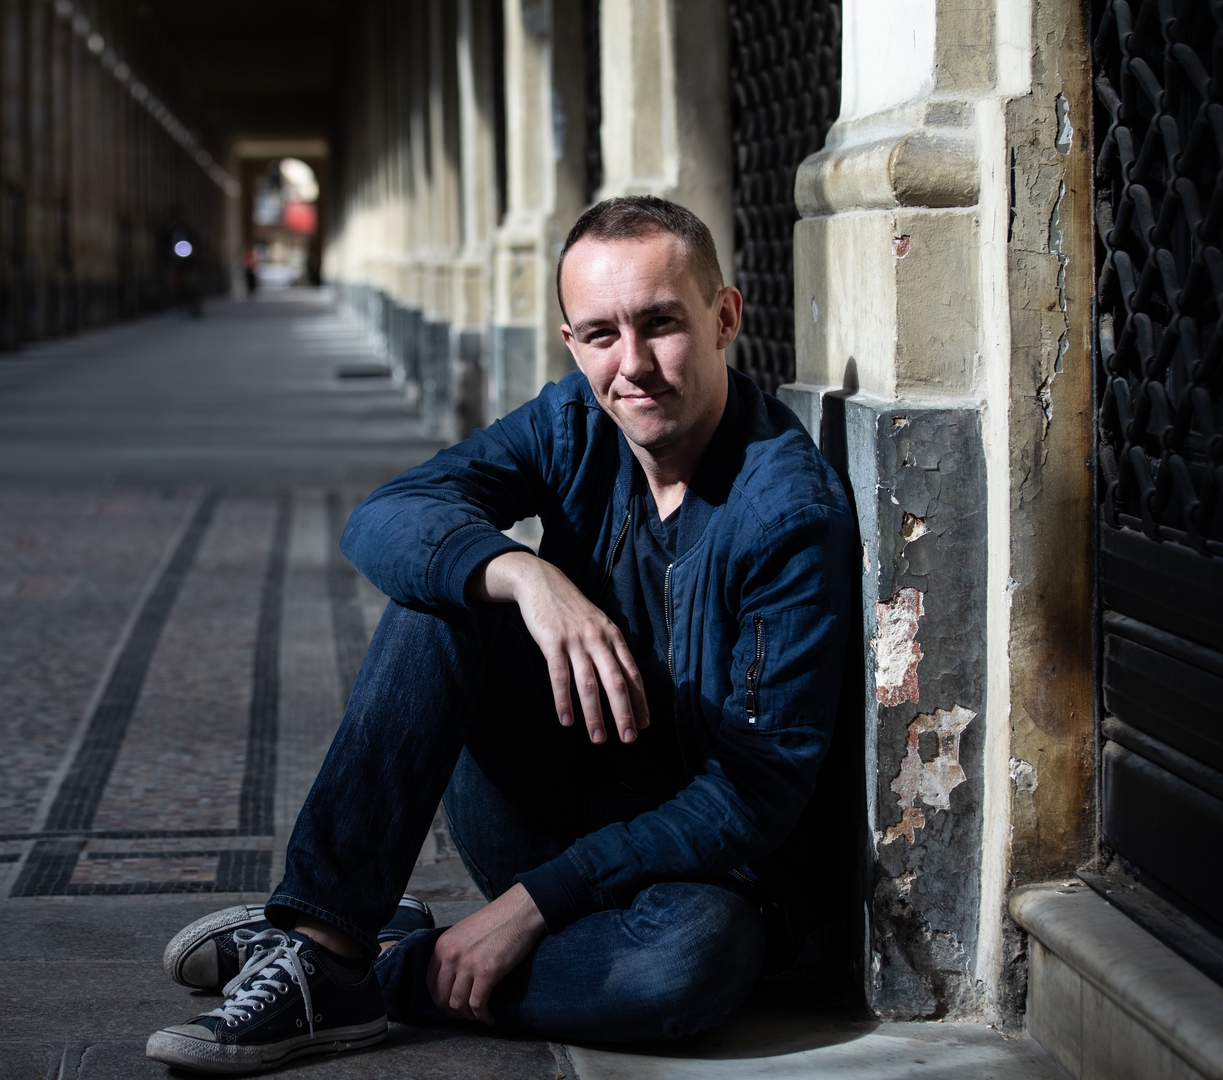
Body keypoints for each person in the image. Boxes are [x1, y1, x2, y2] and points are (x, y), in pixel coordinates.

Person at [145, 196, 854, 1075]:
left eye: (661, 324)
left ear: (725, 317)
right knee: (447, 588)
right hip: (550, 805)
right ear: (571, 343)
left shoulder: (787, 514)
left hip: (699, 869)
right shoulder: (575, 424)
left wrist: (531, 905)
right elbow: (390, 514)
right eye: (601, 334)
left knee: (687, 967)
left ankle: (373, 965)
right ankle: (327, 937)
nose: (632, 365)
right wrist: (524, 574)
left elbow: (750, 797)